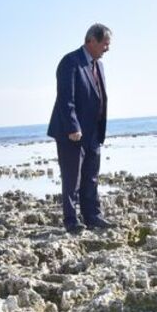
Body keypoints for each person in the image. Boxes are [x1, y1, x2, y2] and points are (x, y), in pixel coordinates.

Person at [47, 23, 115, 233]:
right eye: (105, 43)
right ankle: (71, 221)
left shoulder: (98, 65)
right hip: (72, 133)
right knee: (72, 178)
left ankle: (93, 216)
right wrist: (73, 127)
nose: (107, 48)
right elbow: (66, 98)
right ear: (91, 41)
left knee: (91, 176)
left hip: (93, 131)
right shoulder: (70, 62)